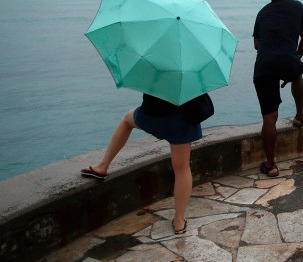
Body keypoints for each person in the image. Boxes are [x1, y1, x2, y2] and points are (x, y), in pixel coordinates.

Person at [81, 93, 208, 235]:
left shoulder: (155, 70)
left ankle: (102, 166)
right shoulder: (190, 72)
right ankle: (179, 221)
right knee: (182, 168)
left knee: (127, 120)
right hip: (183, 121)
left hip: (153, 117)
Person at [253, 0, 303, 178]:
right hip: (289, 59)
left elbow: (257, 45)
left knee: (269, 117)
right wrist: (297, 56)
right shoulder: (297, 6)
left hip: (264, 65)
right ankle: (300, 115)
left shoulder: (262, 12)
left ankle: (271, 165)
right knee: (297, 74)